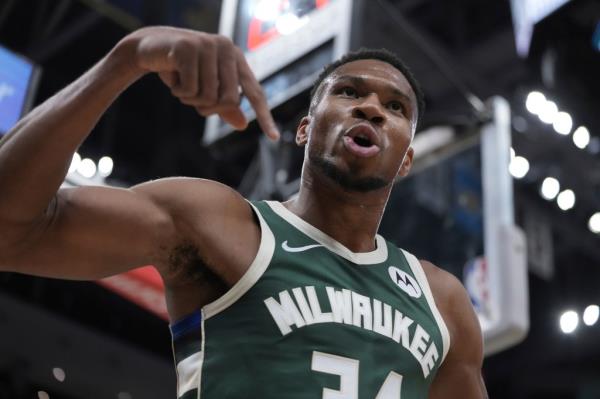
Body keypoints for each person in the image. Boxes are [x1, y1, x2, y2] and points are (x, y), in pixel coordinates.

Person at [0, 26, 488, 398]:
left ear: (406, 160)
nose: (371, 109)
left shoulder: (442, 303)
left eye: (396, 106)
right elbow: (11, 231)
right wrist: (127, 58)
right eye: (348, 92)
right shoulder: (220, 226)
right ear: (304, 129)